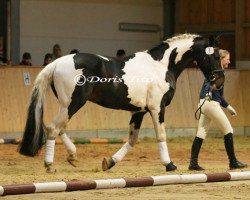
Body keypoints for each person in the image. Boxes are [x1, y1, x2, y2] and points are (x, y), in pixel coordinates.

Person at [188, 49, 247, 171]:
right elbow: (214, 93)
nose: (229, 61)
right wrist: (228, 106)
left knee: (201, 132)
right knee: (228, 130)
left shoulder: (214, 71)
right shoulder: (218, 72)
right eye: (228, 59)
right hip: (210, 104)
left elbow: (209, 88)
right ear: (221, 59)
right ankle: (233, 162)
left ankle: (193, 163)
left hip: (203, 103)